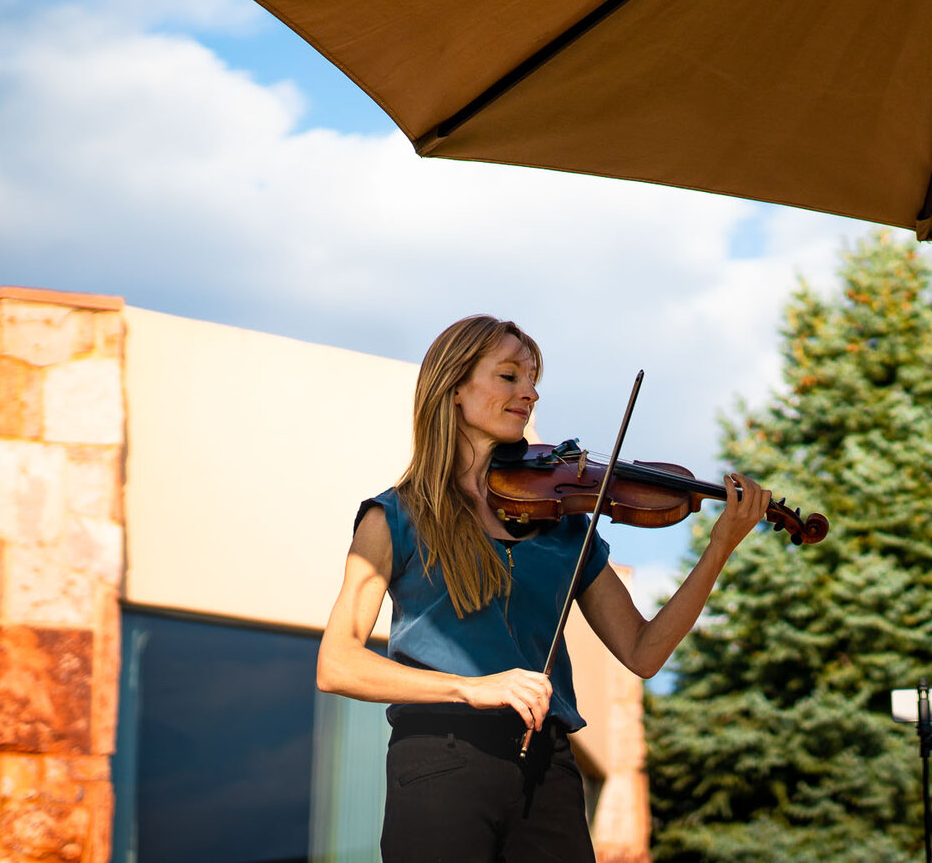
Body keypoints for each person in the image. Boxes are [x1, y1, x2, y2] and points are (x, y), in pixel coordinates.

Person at [318, 315, 772, 863]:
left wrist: (719, 545)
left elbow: (644, 652)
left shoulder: (563, 522)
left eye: (532, 380)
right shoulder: (394, 517)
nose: (529, 393)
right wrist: (471, 687)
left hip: (548, 768)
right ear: (455, 387)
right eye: (509, 376)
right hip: (441, 757)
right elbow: (337, 664)